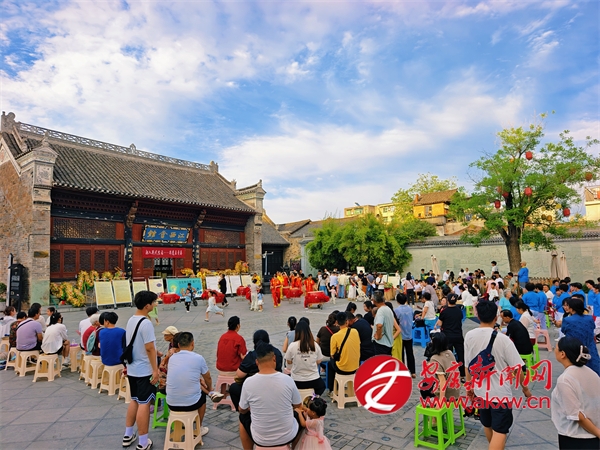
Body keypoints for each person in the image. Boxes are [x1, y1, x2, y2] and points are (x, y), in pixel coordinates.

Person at [465, 301, 532, 450]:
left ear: (477, 316)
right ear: (496, 317)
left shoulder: (469, 336)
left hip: (480, 392)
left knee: (487, 424)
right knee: (500, 431)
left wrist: (469, 386)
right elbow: (517, 369)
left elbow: (467, 365)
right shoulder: (503, 340)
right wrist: (525, 389)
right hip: (500, 394)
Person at [239, 342, 303, 449]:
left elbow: (242, 409)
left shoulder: (248, 383)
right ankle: (295, 447)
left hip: (260, 439)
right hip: (287, 436)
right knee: (301, 414)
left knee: (242, 417)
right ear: (274, 358)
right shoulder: (287, 380)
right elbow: (298, 405)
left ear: (257, 362)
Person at [122, 291, 159, 450]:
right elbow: (149, 348)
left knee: (135, 400)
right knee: (144, 403)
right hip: (144, 370)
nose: (155, 305)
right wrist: (155, 370)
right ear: (147, 305)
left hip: (132, 368)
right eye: (154, 302)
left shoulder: (131, 319)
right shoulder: (146, 323)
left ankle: (128, 434)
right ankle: (143, 442)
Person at [551, 336, 600, 449]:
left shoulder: (565, 379)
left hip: (575, 437)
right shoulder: (591, 372)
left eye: (556, 348)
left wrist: (598, 433)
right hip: (593, 435)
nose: (554, 350)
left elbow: (577, 416)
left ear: (562, 354)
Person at [166, 331, 214, 438]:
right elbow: (208, 377)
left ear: (179, 345)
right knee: (202, 396)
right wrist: (210, 388)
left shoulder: (172, 358)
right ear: (192, 343)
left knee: (192, 389)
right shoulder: (198, 358)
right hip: (191, 403)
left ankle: (182, 425)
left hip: (171, 403)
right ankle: (198, 428)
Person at [229, 330, 283, 410]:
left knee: (234, 387)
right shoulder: (277, 352)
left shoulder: (252, 355)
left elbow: (239, 374)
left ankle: (244, 411)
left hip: (256, 388)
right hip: (276, 385)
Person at [561, 297, 600, 376]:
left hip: (574, 346)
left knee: (576, 367)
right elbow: (593, 327)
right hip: (589, 345)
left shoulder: (568, 320)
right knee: (593, 366)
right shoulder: (589, 318)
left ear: (571, 308)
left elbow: (563, 330)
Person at [285, 321, 325, 395]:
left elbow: (288, 362)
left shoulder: (292, 346)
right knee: (322, 387)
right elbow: (319, 360)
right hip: (313, 379)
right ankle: (313, 398)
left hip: (297, 380)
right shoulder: (314, 345)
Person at [419, 331, 460, 404]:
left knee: (425, 385)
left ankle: (432, 402)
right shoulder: (449, 352)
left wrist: (441, 400)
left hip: (447, 395)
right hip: (455, 391)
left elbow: (442, 381)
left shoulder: (435, 358)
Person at [327, 312, 360, 393]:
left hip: (342, 369)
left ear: (337, 322)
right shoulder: (355, 331)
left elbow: (332, 354)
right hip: (355, 367)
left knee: (330, 364)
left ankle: (332, 390)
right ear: (347, 321)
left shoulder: (335, 336)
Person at [435, 294, 465, 379]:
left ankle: (450, 373)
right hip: (458, 335)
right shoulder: (459, 311)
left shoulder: (444, 311)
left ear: (448, 300)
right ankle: (462, 373)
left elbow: (440, 323)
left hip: (447, 336)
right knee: (460, 354)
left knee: (448, 355)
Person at [394, 293, 416, 377]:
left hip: (400, 334)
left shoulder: (397, 310)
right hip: (409, 333)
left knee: (401, 353)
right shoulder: (410, 309)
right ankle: (413, 371)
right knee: (410, 353)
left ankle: (402, 370)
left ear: (397, 301)